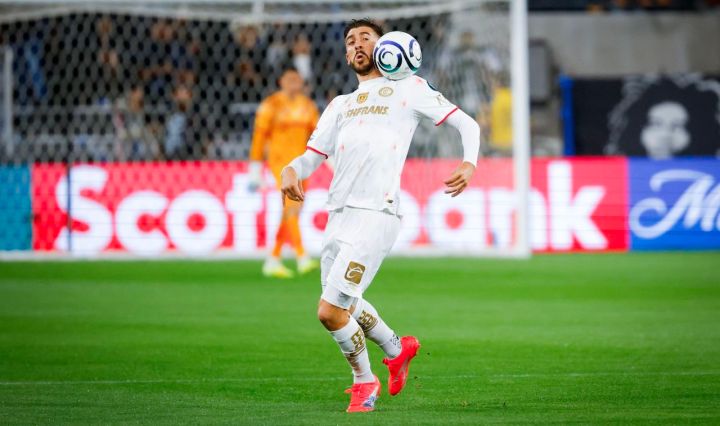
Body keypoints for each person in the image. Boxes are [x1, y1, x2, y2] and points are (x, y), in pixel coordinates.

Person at [279, 19, 480, 413]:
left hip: (377, 213)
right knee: (347, 304)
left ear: (385, 46)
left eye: (365, 38)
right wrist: (290, 169)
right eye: (350, 40)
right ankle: (397, 349)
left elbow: (466, 123)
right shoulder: (340, 104)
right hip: (338, 214)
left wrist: (469, 163)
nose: (356, 44)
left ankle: (364, 381)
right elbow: (311, 158)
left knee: (330, 311)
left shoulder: (409, 88)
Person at [248, 68, 321, 278]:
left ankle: (273, 259)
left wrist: (330, 160)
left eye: (297, 80)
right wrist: (255, 168)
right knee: (291, 205)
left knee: (292, 211)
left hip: (303, 163)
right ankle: (302, 256)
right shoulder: (270, 105)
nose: (293, 83)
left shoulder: (307, 106)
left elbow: (319, 136)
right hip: (280, 164)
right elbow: (259, 138)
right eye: (289, 79)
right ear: (281, 81)